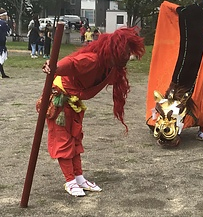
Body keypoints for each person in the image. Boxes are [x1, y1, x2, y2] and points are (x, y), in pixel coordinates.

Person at [40, 27, 145, 197]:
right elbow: (72, 63)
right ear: (114, 51)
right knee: (63, 140)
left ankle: (79, 178)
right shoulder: (92, 60)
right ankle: (70, 181)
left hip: (74, 103)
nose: (127, 56)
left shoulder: (112, 68)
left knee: (75, 139)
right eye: (125, 51)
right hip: (60, 101)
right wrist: (54, 67)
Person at [0, 8, 10, 78]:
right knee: (1, 59)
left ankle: (3, 74)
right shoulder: (3, 23)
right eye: (5, 15)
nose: (6, 17)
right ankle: (3, 74)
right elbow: (8, 32)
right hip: (1, 44)